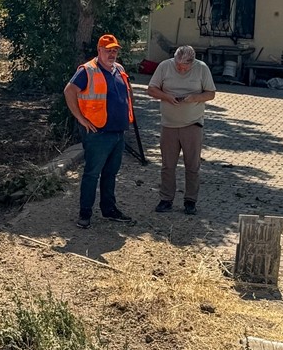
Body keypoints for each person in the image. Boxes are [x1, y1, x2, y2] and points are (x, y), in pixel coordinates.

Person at [63, 34, 136, 229]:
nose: (112, 54)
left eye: (115, 50)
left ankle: (109, 209)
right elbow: (69, 91)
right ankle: (85, 214)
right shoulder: (87, 70)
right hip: (98, 133)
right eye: (108, 50)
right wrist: (80, 118)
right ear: (99, 50)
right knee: (92, 174)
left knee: (110, 173)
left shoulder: (119, 69)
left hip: (118, 132)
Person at [146, 45, 216, 215]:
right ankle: (166, 199)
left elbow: (211, 93)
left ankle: (190, 201)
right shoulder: (164, 66)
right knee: (167, 165)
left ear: (192, 63)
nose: (181, 69)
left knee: (192, 165)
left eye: (185, 67)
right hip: (169, 125)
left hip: (192, 124)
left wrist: (194, 98)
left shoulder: (202, 68)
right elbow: (151, 89)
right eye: (178, 65)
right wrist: (166, 96)